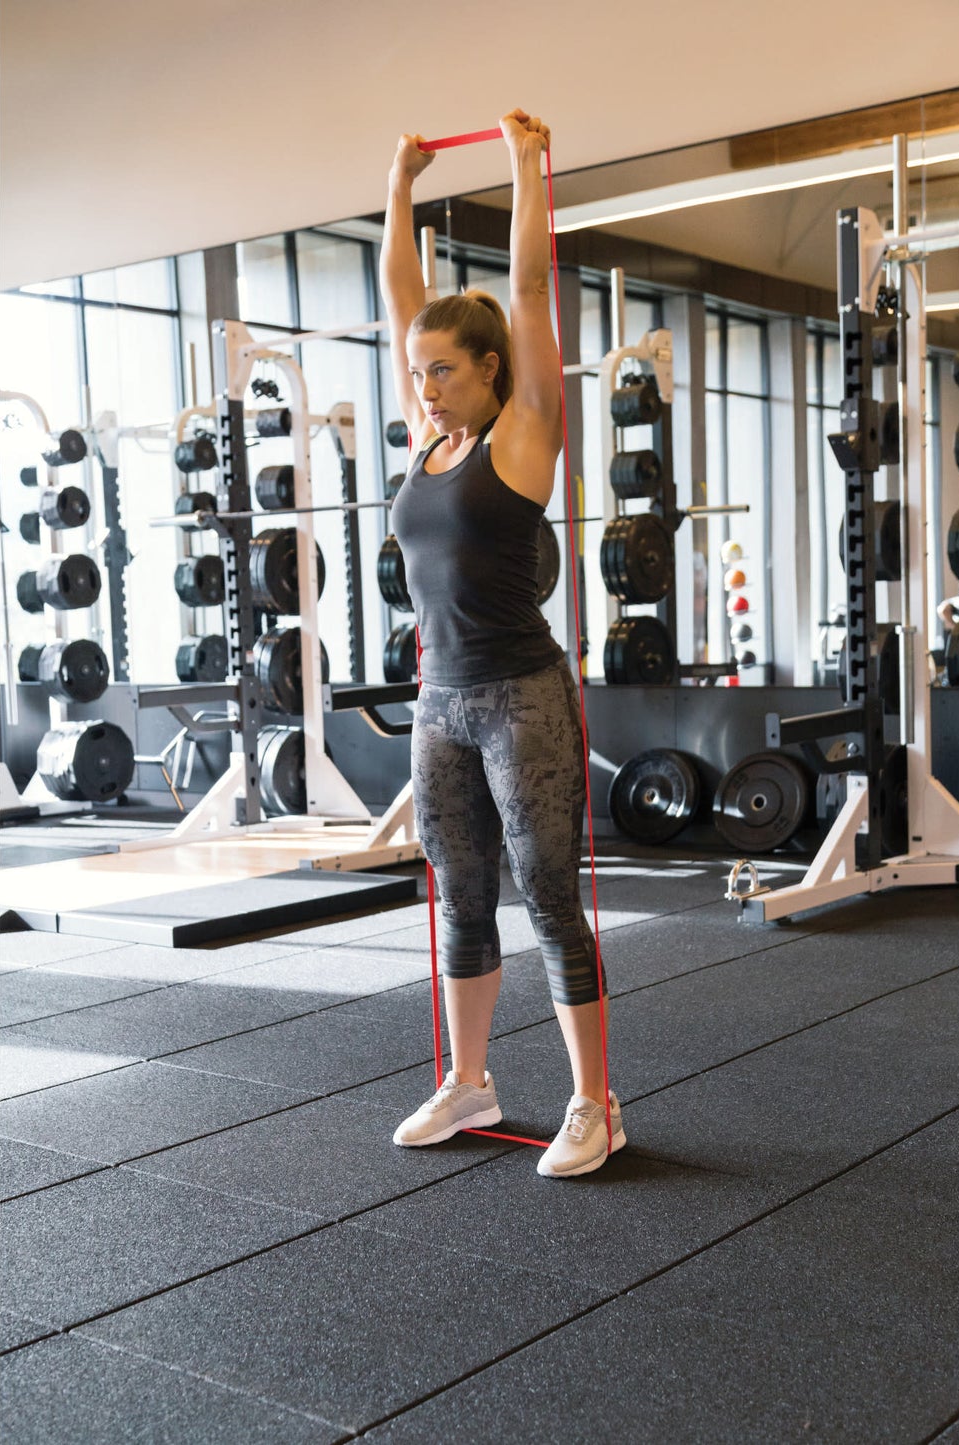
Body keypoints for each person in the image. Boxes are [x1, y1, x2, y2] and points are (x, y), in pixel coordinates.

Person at [380, 109, 622, 1179]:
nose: (421, 385)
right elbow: (399, 300)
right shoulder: (430, 438)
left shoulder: (524, 434)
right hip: (441, 704)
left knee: (548, 893)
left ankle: (592, 1101)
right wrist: (397, 183)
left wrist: (525, 166)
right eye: (416, 371)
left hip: (520, 696)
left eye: (439, 369)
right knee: (461, 890)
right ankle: (469, 1080)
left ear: (487, 369)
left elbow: (527, 291)